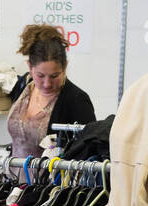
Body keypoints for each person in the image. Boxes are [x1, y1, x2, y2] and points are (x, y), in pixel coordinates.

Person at [7, 23, 95, 159]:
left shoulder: (77, 101)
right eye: (40, 76)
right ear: (29, 67)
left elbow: (87, 154)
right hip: (11, 178)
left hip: (50, 179)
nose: (47, 84)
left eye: (54, 76)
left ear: (65, 66)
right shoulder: (22, 87)